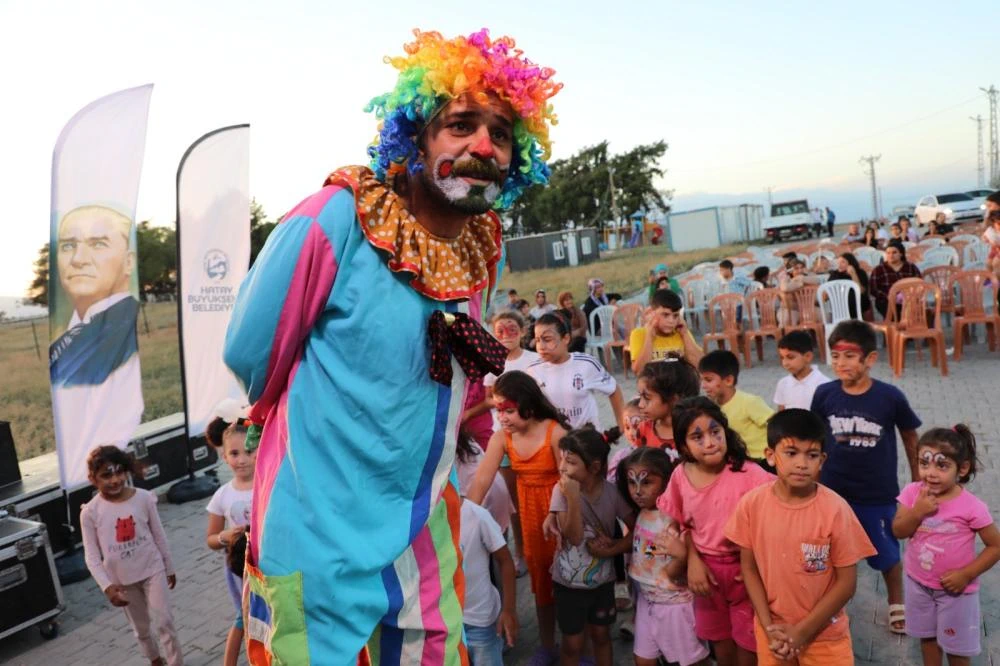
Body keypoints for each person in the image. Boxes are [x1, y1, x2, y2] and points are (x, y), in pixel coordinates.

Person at [222, 28, 561, 664]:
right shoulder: (335, 218)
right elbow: (250, 351)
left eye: (501, 133)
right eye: (460, 125)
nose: (483, 145)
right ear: (417, 138)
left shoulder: (477, 247)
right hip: (315, 531)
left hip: (422, 527)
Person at [725, 409, 876, 665]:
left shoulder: (836, 510)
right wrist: (767, 625)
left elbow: (846, 584)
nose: (802, 463)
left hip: (825, 636)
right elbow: (748, 568)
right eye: (791, 453)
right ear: (770, 456)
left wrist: (801, 633)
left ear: (822, 460)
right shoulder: (752, 504)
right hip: (773, 632)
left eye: (812, 455)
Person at [811, 320, 921, 636]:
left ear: (869, 359)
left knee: (886, 552)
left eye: (849, 356)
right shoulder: (824, 394)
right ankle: (827, 604)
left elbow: (911, 437)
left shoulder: (889, 397)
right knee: (826, 552)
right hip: (831, 492)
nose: (840, 363)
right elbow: (815, 439)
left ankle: (897, 601)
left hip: (877, 494)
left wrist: (915, 486)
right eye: (835, 356)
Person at [659, 397, 773, 666]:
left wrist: (756, 569)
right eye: (697, 437)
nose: (710, 442)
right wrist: (692, 560)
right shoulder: (680, 476)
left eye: (715, 432)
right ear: (683, 446)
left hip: (746, 576)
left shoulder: (751, 475)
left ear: (725, 431)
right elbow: (677, 527)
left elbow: (776, 520)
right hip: (705, 579)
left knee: (750, 649)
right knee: (722, 648)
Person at [468, 371, 568, 664]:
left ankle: (580, 646)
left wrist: (558, 515)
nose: (503, 417)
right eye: (499, 410)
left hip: (560, 513)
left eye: (509, 410)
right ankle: (548, 645)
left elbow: (569, 480)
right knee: (540, 583)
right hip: (531, 517)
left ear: (529, 405)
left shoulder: (555, 432)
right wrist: (465, 515)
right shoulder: (502, 438)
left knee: (571, 584)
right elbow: (481, 481)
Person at [49, 205, 144, 482]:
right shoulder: (69, 335)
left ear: (128, 262)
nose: (78, 259)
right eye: (68, 245)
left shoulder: (118, 334)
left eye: (98, 244)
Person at [892, 425, 1000, 665]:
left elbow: (995, 546)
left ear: (962, 469)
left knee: (957, 648)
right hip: (918, 585)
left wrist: (966, 574)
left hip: (956, 593)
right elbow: (899, 530)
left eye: (941, 465)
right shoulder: (912, 493)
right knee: (927, 638)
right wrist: (917, 513)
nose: (930, 473)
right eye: (924, 463)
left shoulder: (972, 506)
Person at [80, 446, 181, 666]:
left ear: (127, 471)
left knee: (164, 621)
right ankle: (155, 659)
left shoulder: (144, 499)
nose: (115, 480)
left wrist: (169, 567)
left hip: (153, 570)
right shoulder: (90, 513)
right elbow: (92, 557)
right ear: (92, 478)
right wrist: (107, 586)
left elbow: (159, 536)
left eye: (119, 472)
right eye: (106, 475)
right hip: (122, 581)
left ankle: (176, 663)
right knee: (141, 628)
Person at [550, 426, 636, 666]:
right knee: (572, 643)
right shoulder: (561, 490)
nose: (562, 468)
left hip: (602, 584)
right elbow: (574, 537)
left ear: (595, 467)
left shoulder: (613, 494)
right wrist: (573, 497)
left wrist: (614, 548)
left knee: (601, 635)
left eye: (571, 462)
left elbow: (638, 531)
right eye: (561, 460)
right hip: (568, 585)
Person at [617, 447, 710, 666]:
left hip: (674, 605)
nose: (638, 491)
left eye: (647, 482)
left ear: (667, 480)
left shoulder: (672, 519)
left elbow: (677, 572)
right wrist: (610, 549)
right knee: (643, 659)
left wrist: (680, 557)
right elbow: (641, 546)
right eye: (632, 483)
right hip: (647, 600)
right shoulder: (644, 512)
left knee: (692, 662)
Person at [483, 310, 539, 573]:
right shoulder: (491, 362)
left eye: (511, 330)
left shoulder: (534, 361)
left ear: (522, 331)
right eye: (500, 331)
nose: (506, 336)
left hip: (533, 436)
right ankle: (521, 552)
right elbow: (488, 398)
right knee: (513, 500)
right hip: (504, 439)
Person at [206, 419, 256, 666]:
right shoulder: (222, 495)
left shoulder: (268, 484)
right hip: (239, 569)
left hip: (268, 561)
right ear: (224, 457)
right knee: (243, 616)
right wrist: (224, 537)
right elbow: (211, 539)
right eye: (234, 453)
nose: (242, 459)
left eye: (248, 451)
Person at [528, 312, 626, 433]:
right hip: (555, 443)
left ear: (566, 338)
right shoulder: (532, 371)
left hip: (587, 441)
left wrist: (622, 425)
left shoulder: (586, 364)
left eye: (547, 339)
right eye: (537, 340)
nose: (541, 346)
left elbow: (613, 390)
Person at [460, 494, 518, 666]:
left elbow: (505, 560)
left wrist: (508, 610)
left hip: (481, 621)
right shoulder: (422, 520)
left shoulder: (476, 515)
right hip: (444, 622)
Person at [699, 350, 774, 471]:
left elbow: (774, 422)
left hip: (762, 461)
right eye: (702, 380)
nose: (703, 385)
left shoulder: (749, 402)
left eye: (708, 380)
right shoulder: (712, 408)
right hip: (738, 461)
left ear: (728, 380)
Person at [634, 356, 701, 458]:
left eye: (647, 398)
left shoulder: (695, 431)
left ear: (674, 400)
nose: (640, 405)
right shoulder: (644, 429)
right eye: (640, 397)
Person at [630, 289, 704, 374]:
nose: (671, 321)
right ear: (651, 313)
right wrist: (649, 338)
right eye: (665, 315)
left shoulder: (682, 332)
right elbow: (639, 371)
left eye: (675, 315)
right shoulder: (639, 334)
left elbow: (701, 365)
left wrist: (685, 334)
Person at [773, 331, 830, 411]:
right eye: (782, 357)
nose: (785, 363)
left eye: (790, 357)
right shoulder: (783, 384)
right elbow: (782, 415)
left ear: (808, 356)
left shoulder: (824, 385)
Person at [870, 241, 922, 319]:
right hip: (886, 301)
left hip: (908, 300)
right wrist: (890, 297)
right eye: (888, 253)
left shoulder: (911, 267)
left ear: (901, 254)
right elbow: (873, 289)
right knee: (892, 314)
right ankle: (892, 330)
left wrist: (908, 296)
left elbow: (919, 284)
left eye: (894, 252)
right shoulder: (879, 269)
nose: (891, 255)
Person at [827, 252, 872, 320]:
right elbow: (828, 292)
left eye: (843, 262)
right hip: (840, 306)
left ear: (850, 263)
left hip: (858, 304)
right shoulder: (835, 274)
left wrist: (853, 274)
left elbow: (861, 291)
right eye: (838, 262)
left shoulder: (860, 272)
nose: (839, 265)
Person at [981, 193, 1000, 278]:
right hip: (995, 245)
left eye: (990, 205)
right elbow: (984, 227)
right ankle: (992, 283)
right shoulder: (992, 215)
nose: (988, 208)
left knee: (996, 264)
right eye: (987, 206)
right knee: (988, 264)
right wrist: (987, 214)